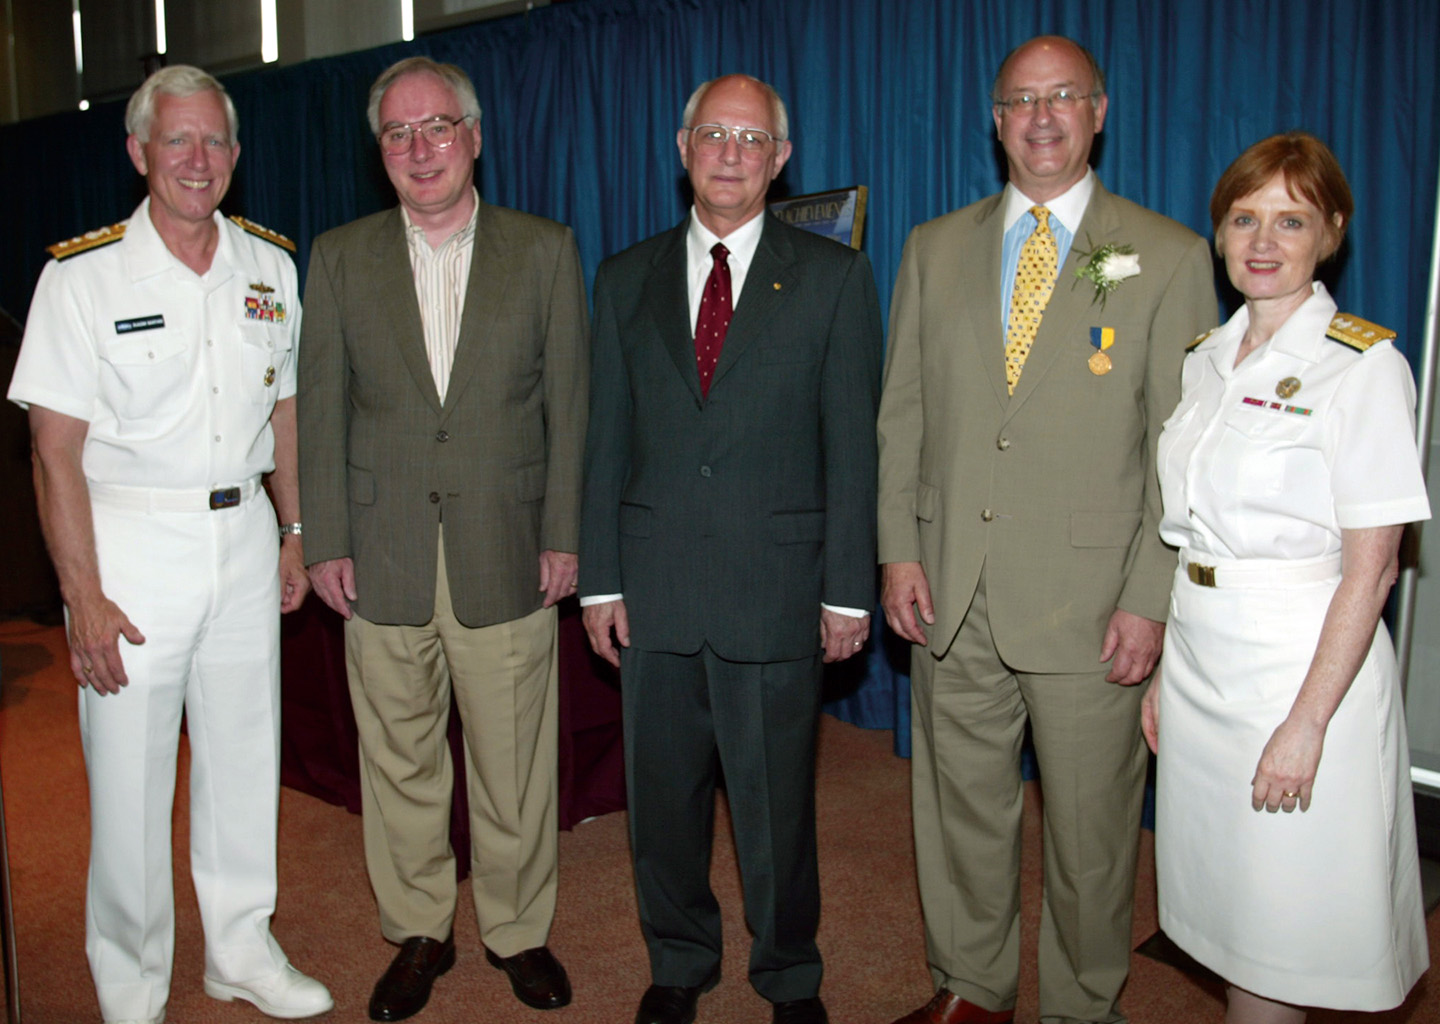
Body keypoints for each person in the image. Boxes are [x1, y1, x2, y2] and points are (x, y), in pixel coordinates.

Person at [877, 35, 1218, 1024]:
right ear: (995, 122)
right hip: (952, 585)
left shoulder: (1168, 255)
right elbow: (902, 414)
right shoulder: (933, 248)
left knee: (1091, 832)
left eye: (1062, 96)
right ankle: (972, 987)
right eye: (1020, 101)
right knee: (961, 815)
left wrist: (1150, 601)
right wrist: (899, 545)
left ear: (1098, 112)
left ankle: (1082, 1003)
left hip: (1092, 603)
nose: (1041, 117)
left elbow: (1179, 451)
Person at [6, 65, 331, 1023]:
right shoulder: (82, 274)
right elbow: (51, 450)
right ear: (139, 152)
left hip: (244, 536)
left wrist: (296, 533)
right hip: (131, 546)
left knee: (241, 758)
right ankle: (131, 982)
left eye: (215, 142)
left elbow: (288, 412)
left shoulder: (268, 265)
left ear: (236, 155)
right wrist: (83, 595)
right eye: (177, 141)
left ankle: (240, 949)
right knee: (130, 783)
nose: (198, 160)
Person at [579, 74, 882, 1024]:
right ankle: (678, 962)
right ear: (682, 147)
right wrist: (599, 584)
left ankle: (790, 973)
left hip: (777, 590)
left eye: (752, 139)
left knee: (776, 808)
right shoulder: (625, 277)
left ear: (780, 159)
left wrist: (847, 592)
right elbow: (606, 443)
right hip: (656, 591)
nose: (731, 153)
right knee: (663, 806)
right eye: (714, 134)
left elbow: (851, 448)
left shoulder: (833, 277)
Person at [296, 56, 587, 1022]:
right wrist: (324, 537)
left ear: (474, 136)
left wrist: (562, 533)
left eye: (437, 128)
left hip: (507, 545)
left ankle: (516, 929)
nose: (420, 149)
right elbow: (322, 412)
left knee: (513, 762)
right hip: (376, 554)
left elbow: (570, 411)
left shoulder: (544, 251)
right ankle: (420, 926)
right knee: (401, 760)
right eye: (398, 133)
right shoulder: (337, 257)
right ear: (379, 152)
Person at [1142, 132, 1430, 1022]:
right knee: (1229, 913)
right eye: (1244, 218)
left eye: (1290, 220)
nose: (1262, 242)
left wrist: (1307, 725)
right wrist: (1161, 671)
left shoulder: (1366, 368)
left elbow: (1373, 573)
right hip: (1201, 668)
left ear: (1330, 233)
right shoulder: (1205, 359)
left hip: (1302, 676)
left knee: (1281, 935)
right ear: (1221, 235)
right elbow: (1188, 541)